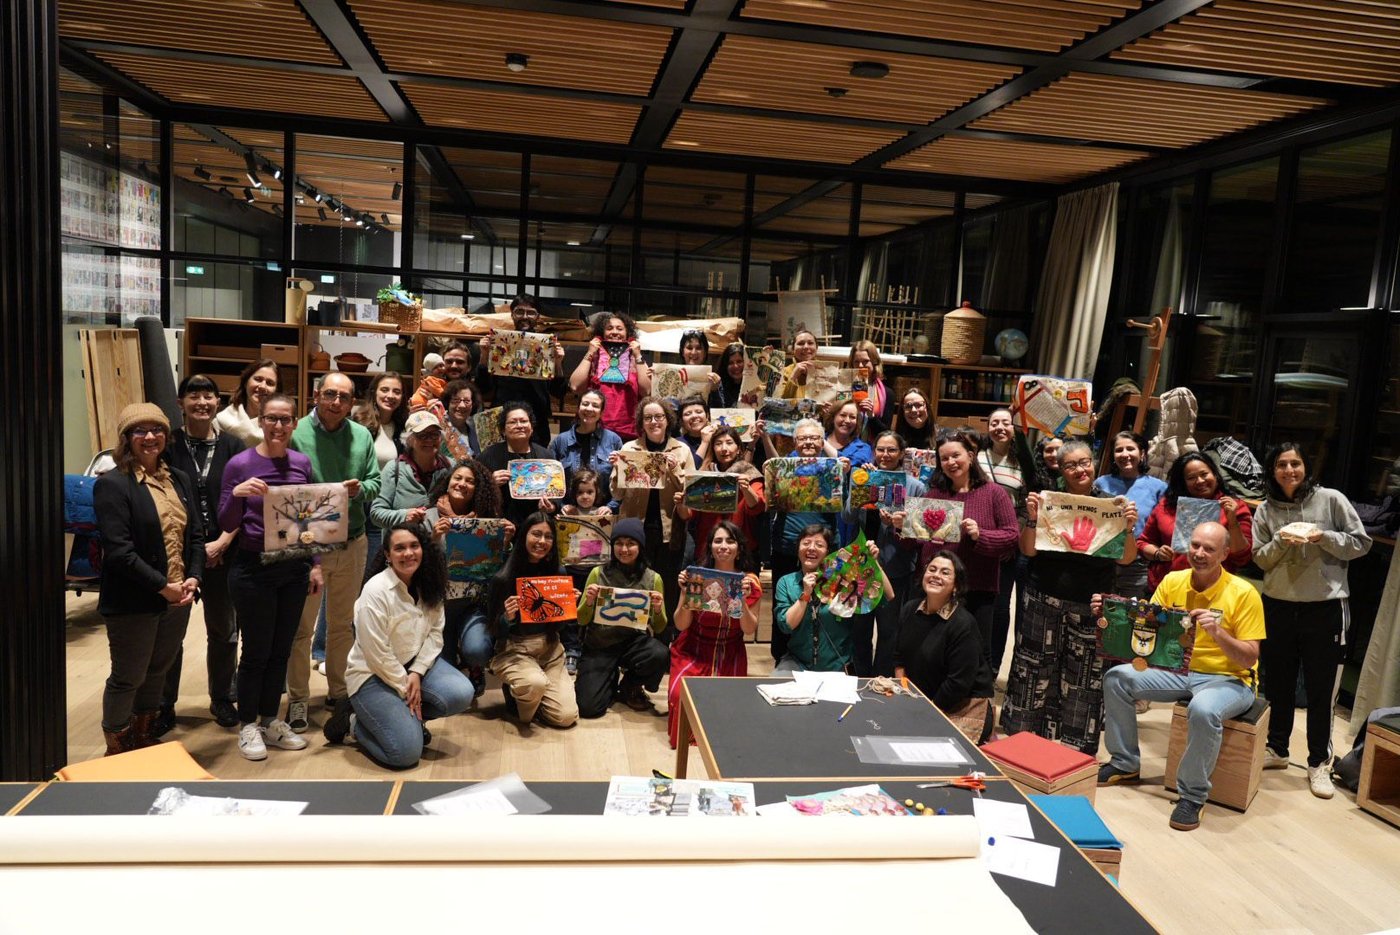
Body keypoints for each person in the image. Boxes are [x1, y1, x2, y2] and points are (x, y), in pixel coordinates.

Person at [1096, 522, 1266, 832]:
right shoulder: (1173, 580)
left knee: (1201, 709)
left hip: (1229, 679)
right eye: (1195, 545)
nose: (1199, 553)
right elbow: (1146, 630)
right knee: (1118, 678)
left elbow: (1249, 657)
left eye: (1209, 549)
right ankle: (1124, 763)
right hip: (1178, 672)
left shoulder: (1244, 594)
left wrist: (1217, 633)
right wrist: (1109, 614)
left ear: (1226, 554)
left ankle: (1192, 795)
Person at [1001, 438, 1139, 754]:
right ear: (1061, 470)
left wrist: (1128, 527)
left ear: (1094, 464)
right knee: (1032, 671)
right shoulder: (1049, 500)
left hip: (1091, 606)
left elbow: (1126, 559)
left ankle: (1074, 754)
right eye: (1070, 465)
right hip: (1043, 598)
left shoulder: (1112, 506)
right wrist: (1033, 518)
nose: (1079, 469)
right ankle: (1021, 746)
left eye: (1084, 462)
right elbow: (1028, 550)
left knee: (1084, 681)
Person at [1252, 442, 1371, 798]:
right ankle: (1277, 748)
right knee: (1278, 685)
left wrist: (1324, 537)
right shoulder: (1266, 510)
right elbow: (1260, 559)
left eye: (1296, 463)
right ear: (1272, 471)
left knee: (1321, 690)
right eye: (1281, 465)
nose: (1289, 470)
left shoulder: (1331, 499)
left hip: (1326, 607)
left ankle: (1319, 761)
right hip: (1278, 605)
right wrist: (1283, 542)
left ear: (1305, 467)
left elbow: (1361, 542)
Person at [94, 403, 204, 755]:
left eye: (156, 429)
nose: (150, 437)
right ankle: (118, 744)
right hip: (134, 599)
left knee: (158, 669)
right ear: (126, 439)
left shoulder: (179, 479)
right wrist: (163, 587)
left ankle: (143, 736)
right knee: (129, 676)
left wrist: (193, 578)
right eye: (139, 431)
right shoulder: (113, 485)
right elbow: (119, 551)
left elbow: (197, 537)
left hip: (178, 596)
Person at [322, 523, 474, 768]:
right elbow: (376, 654)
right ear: (387, 555)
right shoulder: (376, 591)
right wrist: (405, 686)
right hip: (372, 676)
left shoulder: (431, 582)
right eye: (399, 548)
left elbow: (436, 633)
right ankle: (353, 721)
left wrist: (417, 671)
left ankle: (406, 722)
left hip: (413, 669)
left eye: (414, 546)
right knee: (405, 755)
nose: (408, 553)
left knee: (460, 693)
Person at [218, 393, 316, 761]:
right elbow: (226, 522)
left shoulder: (302, 464)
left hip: (292, 567)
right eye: (272, 419)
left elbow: (311, 521)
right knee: (256, 651)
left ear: (294, 423)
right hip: (252, 568)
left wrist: (316, 564)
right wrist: (239, 496)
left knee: (281, 649)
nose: (278, 426)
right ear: (260, 421)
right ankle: (247, 725)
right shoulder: (239, 465)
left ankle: (271, 720)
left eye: (286, 419)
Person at [285, 372, 382, 733]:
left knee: (342, 624)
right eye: (330, 394)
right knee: (302, 627)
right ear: (315, 395)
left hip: (352, 541)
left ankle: (339, 692)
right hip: (308, 546)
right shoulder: (295, 434)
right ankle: (297, 698)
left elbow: (375, 482)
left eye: (345, 397)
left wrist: (360, 490)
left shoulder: (361, 436)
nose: (337, 402)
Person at [161, 375, 244, 732]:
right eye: (193, 396)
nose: (202, 402)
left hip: (224, 550)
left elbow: (245, 501)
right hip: (177, 554)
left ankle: (223, 698)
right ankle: (163, 704)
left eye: (208, 396)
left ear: (218, 403)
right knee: (170, 634)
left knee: (224, 631)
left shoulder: (235, 446)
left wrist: (224, 541)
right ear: (180, 403)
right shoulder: (167, 446)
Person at [919, 429, 1019, 668]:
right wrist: (901, 527)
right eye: (944, 458)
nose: (951, 462)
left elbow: (1012, 535)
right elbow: (916, 541)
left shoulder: (994, 493)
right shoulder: (935, 494)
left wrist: (979, 535)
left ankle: (977, 703)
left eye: (956, 455)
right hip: (938, 589)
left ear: (971, 456)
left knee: (976, 652)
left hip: (978, 588)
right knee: (937, 650)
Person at [668, 520, 762, 746]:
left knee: (728, 704)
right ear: (709, 546)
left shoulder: (750, 582)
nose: (724, 546)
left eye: (730, 541)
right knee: (681, 697)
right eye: (718, 541)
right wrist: (684, 593)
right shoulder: (696, 578)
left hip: (731, 651)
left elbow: (749, 629)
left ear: (739, 547)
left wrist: (742, 601)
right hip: (693, 649)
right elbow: (681, 625)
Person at [843, 430, 926, 677]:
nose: (885, 455)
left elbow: (920, 531)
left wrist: (895, 524)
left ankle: (881, 678)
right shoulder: (863, 476)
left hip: (896, 567)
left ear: (901, 453)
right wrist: (860, 485)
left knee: (889, 630)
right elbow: (847, 516)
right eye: (880, 449)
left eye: (891, 450)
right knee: (859, 628)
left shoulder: (915, 486)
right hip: (860, 565)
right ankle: (860, 676)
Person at [485, 512, 579, 728]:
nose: (542, 542)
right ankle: (523, 692)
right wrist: (507, 618)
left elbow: (561, 627)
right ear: (523, 535)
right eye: (536, 534)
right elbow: (493, 630)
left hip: (550, 650)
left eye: (548, 536)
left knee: (566, 717)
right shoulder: (504, 577)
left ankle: (527, 692)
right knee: (532, 690)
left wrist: (567, 608)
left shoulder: (558, 572)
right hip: (514, 650)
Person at [424, 458, 512, 685]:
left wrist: (505, 541)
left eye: (470, 481)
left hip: (474, 601)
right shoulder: (430, 517)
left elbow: (495, 567)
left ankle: (474, 665)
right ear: (448, 482)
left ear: (478, 488)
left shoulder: (488, 520)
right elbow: (417, 564)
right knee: (442, 671)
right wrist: (433, 538)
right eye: (458, 478)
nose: (462, 484)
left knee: (477, 651)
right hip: (438, 605)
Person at [759, 416, 839, 663]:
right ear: (794, 441)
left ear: (822, 440)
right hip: (786, 548)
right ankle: (781, 657)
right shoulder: (785, 467)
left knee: (825, 605)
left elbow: (837, 463)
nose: (808, 442)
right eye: (802, 438)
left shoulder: (831, 467)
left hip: (824, 549)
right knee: (783, 604)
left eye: (814, 438)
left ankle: (820, 655)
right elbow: (774, 465)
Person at [610, 396, 696, 622]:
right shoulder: (629, 448)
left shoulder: (682, 450)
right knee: (636, 583)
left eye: (659, 417)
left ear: (668, 420)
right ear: (641, 422)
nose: (654, 422)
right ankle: (635, 631)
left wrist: (676, 469)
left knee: (666, 585)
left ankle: (663, 636)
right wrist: (618, 469)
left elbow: (692, 493)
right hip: (636, 530)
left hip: (670, 530)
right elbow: (616, 495)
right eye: (648, 418)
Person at [896, 553, 996, 744]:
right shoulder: (909, 609)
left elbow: (958, 683)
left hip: (961, 706)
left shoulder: (963, 624)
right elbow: (899, 658)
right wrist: (905, 695)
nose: (936, 575)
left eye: (945, 573)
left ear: (956, 586)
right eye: (932, 569)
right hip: (922, 700)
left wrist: (926, 713)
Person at [575, 518, 670, 718]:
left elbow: (660, 628)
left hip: (633, 643)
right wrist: (589, 602)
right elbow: (581, 620)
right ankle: (608, 679)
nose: (624, 549)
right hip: (599, 644)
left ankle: (630, 684)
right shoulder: (597, 573)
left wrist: (658, 609)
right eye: (619, 543)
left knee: (659, 654)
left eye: (631, 543)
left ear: (640, 547)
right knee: (589, 708)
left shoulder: (653, 578)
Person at [774, 524, 893, 673]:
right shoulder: (787, 582)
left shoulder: (844, 580)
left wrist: (873, 562)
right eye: (805, 543)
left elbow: (888, 595)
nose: (811, 548)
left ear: (828, 553)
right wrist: (805, 595)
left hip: (836, 666)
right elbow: (786, 626)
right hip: (797, 663)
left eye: (819, 545)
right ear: (798, 549)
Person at [1137, 452, 1252, 593]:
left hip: (1214, 592)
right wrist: (1157, 553)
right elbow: (1143, 543)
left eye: (1204, 474)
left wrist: (1232, 521)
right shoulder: (1166, 505)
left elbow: (1242, 557)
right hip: (1167, 588)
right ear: (1182, 481)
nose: (1200, 481)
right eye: (1191, 478)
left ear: (1215, 474)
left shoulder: (1235, 507)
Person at [978, 407, 1038, 676]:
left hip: (1012, 543)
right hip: (980, 539)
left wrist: (1010, 539)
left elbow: (1027, 505)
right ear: (987, 427)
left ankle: (997, 667)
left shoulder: (1021, 462)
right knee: (986, 604)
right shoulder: (977, 457)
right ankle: (979, 664)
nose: (1000, 427)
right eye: (994, 422)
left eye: (1006, 422)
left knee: (1005, 607)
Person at [476, 295, 567, 446]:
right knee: (496, 465)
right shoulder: (498, 343)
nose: (525, 317)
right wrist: (484, 355)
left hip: (536, 423)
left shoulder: (546, 347)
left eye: (530, 312)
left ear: (538, 316)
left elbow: (559, 392)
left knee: (534, 466)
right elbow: (482, 389)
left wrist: (557, 363)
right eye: (519, 312)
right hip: (501, 420)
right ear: (512, 315)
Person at [1095, 430, 1167, 599]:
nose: (1125, 454)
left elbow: (1161, 527)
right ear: (1113, 455)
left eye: (1130, 449)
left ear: (1142, 454)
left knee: (1133, 615)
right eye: (1119, 450)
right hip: (1104, 560)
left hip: (1139, 564)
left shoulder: (1159, 487)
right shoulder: (1100, 483)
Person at [675, 425, 764, 561]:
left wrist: (746, 489)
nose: (724, 449)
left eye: (729, 443)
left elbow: (756, 508)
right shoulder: (704, 475)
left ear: (739, 448)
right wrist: (681, 504)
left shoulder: (749, 473)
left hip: (740, 548)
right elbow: (688, 515)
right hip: (708, 547)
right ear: (713, 449)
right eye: (718, 444)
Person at [569, 311, 652, 441]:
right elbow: (575, 386)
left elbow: (646, 391)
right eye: (609, 328)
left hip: (628, 432)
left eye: (620, 329)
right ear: (602, 333)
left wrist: (638, 355)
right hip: (593, 428)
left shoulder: (635, 359)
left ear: (627, 333)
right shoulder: (594, 357)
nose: (615, 332)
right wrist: (590, 353)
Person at [477, 403, 558, 528]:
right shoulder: (488, 456)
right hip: (500, 525)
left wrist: (552, 506)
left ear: (531, 428)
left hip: (536, 527)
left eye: (524, 421)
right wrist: (490, 484)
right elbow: (474, 492)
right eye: (513, 422)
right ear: (503, 430)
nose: (519, 425)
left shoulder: (546, 456)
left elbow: (557, 493)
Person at [558, 467, 607, 673]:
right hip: (572, 569)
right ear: (573, 493)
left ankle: (590, 649)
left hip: (595, 571)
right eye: (580, 492)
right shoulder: (568, 511)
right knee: (570, 610)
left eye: (589, 492)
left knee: (593, 609)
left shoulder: (603, 514)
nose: (585, 497)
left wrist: (607, 514)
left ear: (597, 493)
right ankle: (571, 650)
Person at [370, 411, 450, 533]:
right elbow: (376, 513)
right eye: (422, 435)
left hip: (438, 548)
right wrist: (404, 516)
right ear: (409, 439)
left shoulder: (450, 467)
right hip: (403, 547)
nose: (429, 440)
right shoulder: (394, 469)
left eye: (434, 435)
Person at [549, 387, 622, 509]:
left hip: (603, 515)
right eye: (585, 404)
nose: (589, 408)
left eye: (595, 405)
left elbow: (621, 481)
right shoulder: (560, 441)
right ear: (578, 408)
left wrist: (610, 506)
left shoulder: (614, 440)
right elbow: (551, 480)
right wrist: (560, 505)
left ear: (602, 412)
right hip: (569, 513)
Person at [824, 399, 873, 544]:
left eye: (852, 417)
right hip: (816, 510)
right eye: (842, 415)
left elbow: (845, 465)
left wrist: (822, 442)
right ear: (833, 416)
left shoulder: (863, 448)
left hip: (845, 516)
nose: (847, 420)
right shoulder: (814, 442)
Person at [214, 358, 279, 447]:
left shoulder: (283, 427)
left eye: (270, 383)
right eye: (258, 379)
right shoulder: (221, 422)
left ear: (276, 391)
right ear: (245, 382)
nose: (263, 386)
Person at [354, 372, 407, 473]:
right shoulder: (357, 424)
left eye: (396, 391)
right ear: (374, 393)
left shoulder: (403, 426)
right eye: (384, 390)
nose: (391, 396)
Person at [847, 340, 893, 439]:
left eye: (865, 361)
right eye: (856, 362)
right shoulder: (843, 388)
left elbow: (886, 432)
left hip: (873, 448)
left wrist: (871, 416)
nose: (860, 366)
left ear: (874, 362)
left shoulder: (887, 393)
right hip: (845, 445)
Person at [438, 378, 481, 462]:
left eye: (467, 401)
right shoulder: (437, 427)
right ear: (448, 403)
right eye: (456, 400)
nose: (462, 405)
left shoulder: (477, 431)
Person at [679, 328, 723, 407]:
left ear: (705, 352)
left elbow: (718, 413)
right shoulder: (672, 374)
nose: (694, 352)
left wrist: (714, 391)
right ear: (682, 351)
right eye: (689, 348)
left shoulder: (714, 380)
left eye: (699, 348)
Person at [776, 326, 819, 399]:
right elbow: (779, 402)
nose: (806, 347)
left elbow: (840, 398)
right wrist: (793, 376)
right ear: (793, 349)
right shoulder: (782, 373)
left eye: (810, 343)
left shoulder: (827, 371)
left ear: (816, 347)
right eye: (801, 343)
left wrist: (833, 407)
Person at [676, 397, 713, 465]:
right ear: (681, 421)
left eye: (699, 412)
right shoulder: (678, 444)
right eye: (688, 414)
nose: (694, 416)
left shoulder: (717, 438)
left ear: (707, 416)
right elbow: (692, 469)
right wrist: (704, 442)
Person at [714, 342, 746, 409]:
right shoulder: (718, 386)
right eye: (730, 363)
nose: (735, 366)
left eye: (739, 361)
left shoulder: (756, 386)